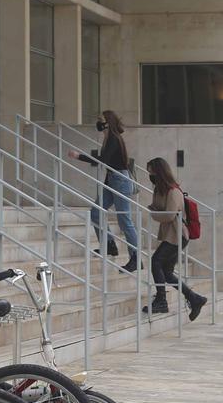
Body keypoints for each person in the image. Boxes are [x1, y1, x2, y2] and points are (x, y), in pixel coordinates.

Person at [68, 110, 139, 272]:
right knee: (96, 212)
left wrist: (79, 156)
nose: (98, 123)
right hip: (112, 179)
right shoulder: (109, 138)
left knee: (124, 221)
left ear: (108, 122)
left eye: (100, 120)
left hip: (120, 180)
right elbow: (108, 165)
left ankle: (135, 258)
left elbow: (103, 161)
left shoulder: (114, 139)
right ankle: (109, 245)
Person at [142, 158, 208, 319]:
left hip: (178, 235)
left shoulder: (173, 191)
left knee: (156, 261)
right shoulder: (159, 189)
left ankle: (161, 300)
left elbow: (168, 215)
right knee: (167, 271)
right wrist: (156, 212)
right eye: (149, 172)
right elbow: (157, 208)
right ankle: (194, 298)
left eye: (152, 171)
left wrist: (154, 213)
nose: (150, 175)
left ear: (160, 172)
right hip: (170, 234)